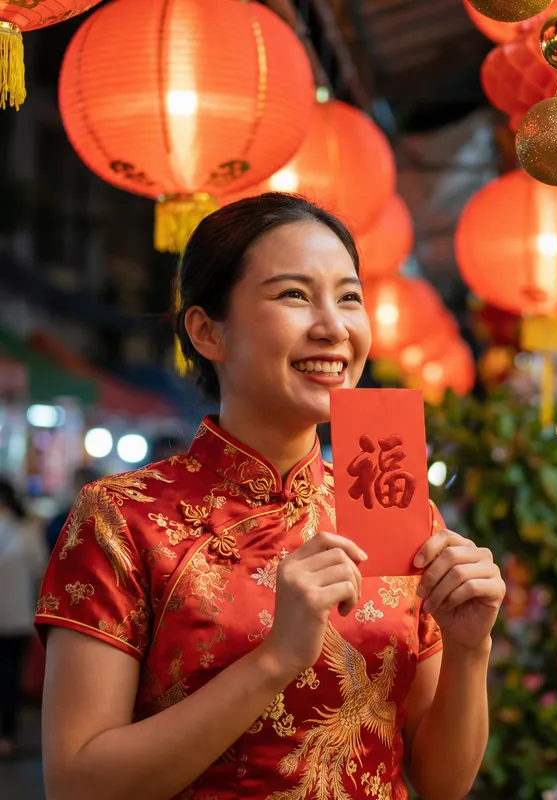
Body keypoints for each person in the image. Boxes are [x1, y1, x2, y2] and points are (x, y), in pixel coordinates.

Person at [35, 193, 505, 800]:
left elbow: (440, 783)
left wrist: (471, 650)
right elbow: (76, 784)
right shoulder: (123, 518)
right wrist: (275, 659)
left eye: (349, 297)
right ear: (207, 331)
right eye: (293, 295)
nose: (333, 327)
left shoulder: (398, 511)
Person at [0, 478, 46, 757]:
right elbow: (40, 573)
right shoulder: (27, 532)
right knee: (9, 676)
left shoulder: (26, 531)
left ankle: (6, 732)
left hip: (16, 617)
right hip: (17, 615)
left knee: (8, 677)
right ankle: (6, 734)